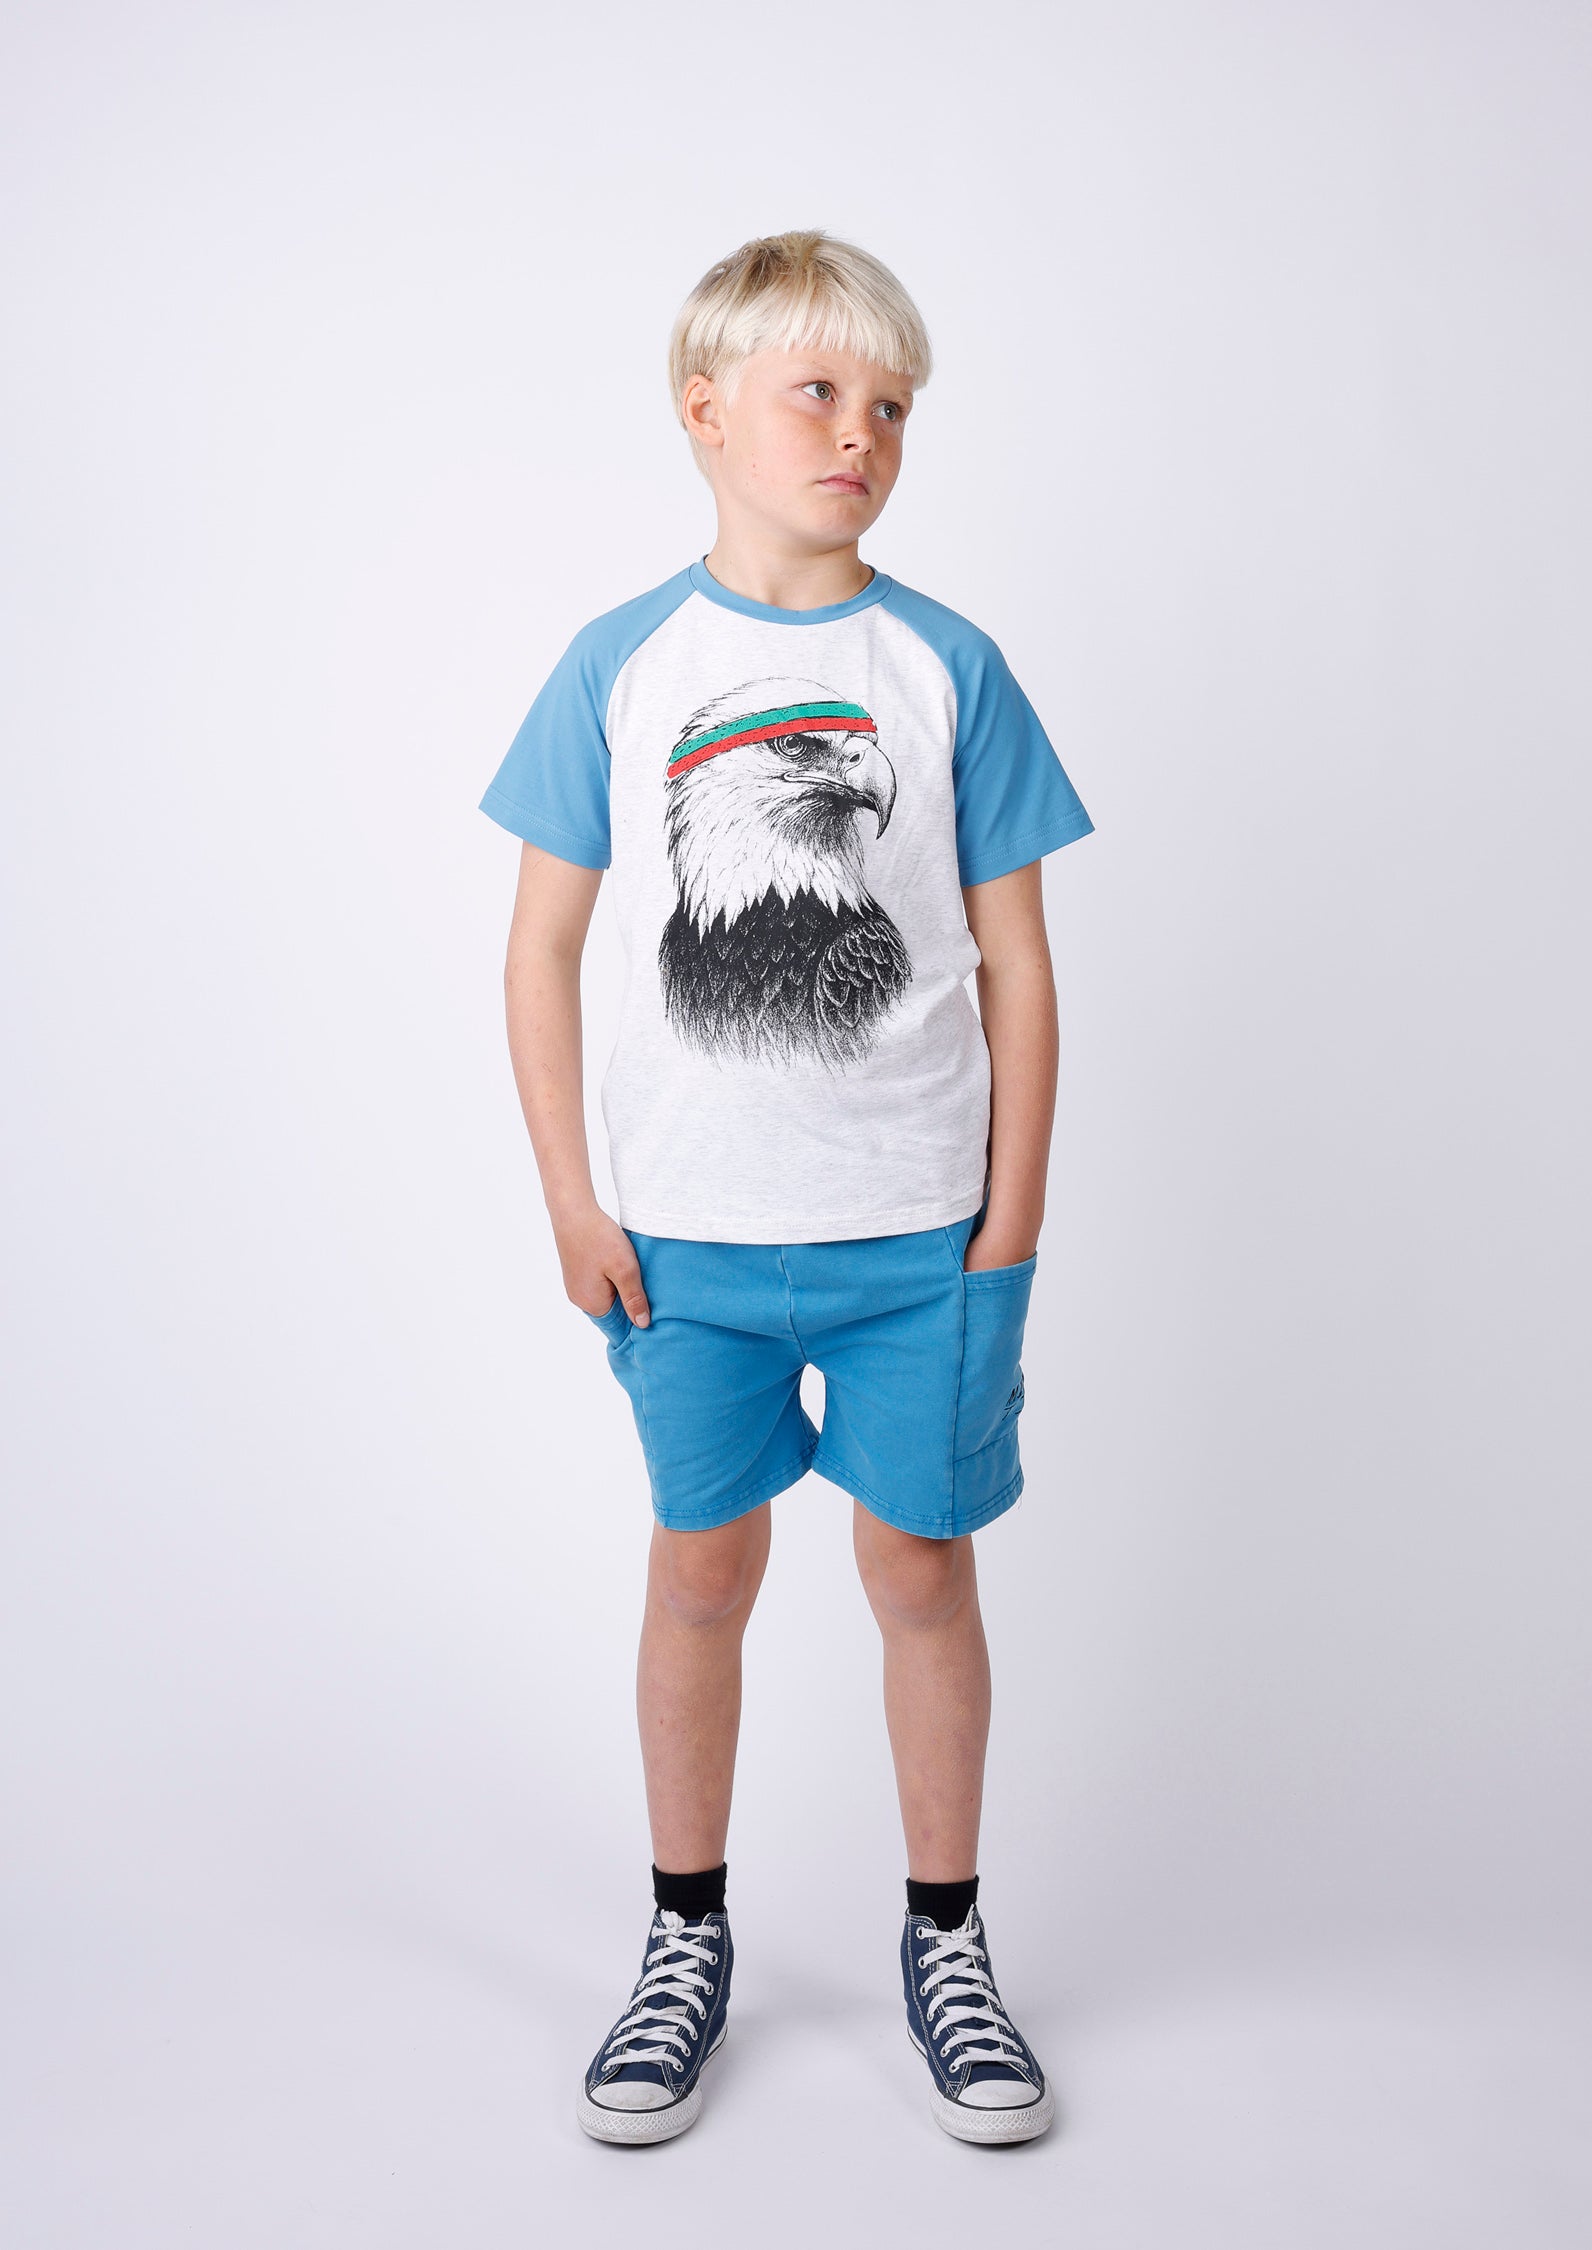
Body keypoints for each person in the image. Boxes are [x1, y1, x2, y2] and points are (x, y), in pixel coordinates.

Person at [480, 230, 1093, 2147]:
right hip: (685, 1239)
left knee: (922, 1569)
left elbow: (1020, 965)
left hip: (923, 1236)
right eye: (817, 391)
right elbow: (540, 950)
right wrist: (573, 1197)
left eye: (891, 405)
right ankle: (685, 1935)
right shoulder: (620, 662)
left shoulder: (949, 665)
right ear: (705, 411)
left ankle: (947, 1937)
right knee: (700, 1570)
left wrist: (1008, 1227)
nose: (859, 433)